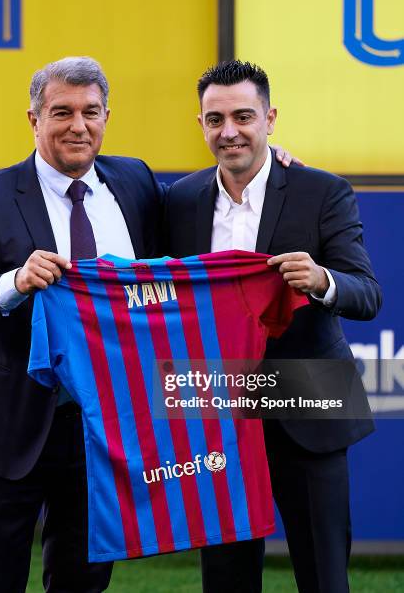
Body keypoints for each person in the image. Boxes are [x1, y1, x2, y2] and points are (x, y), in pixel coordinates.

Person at [0, 56, 165, 593]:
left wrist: (268, 161)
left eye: (91, 112)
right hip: (7, 430)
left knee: (83, 584)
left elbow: (207, 212)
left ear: (108, 116)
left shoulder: (135, 182)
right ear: (33, 119)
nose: (78, 126)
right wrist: (17, 280)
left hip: (101, 430)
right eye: (61, 112)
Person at [164, 60, 382, 593]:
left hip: (307, 397)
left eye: (243, 116)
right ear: (201, 125)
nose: (230, 131)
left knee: (323, 572)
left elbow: (366, 294)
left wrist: (322, 278)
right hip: (217, 404)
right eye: (215, 120)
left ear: (270, 118)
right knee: (226, 575)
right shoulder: (178, 199)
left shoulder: (322, 191)